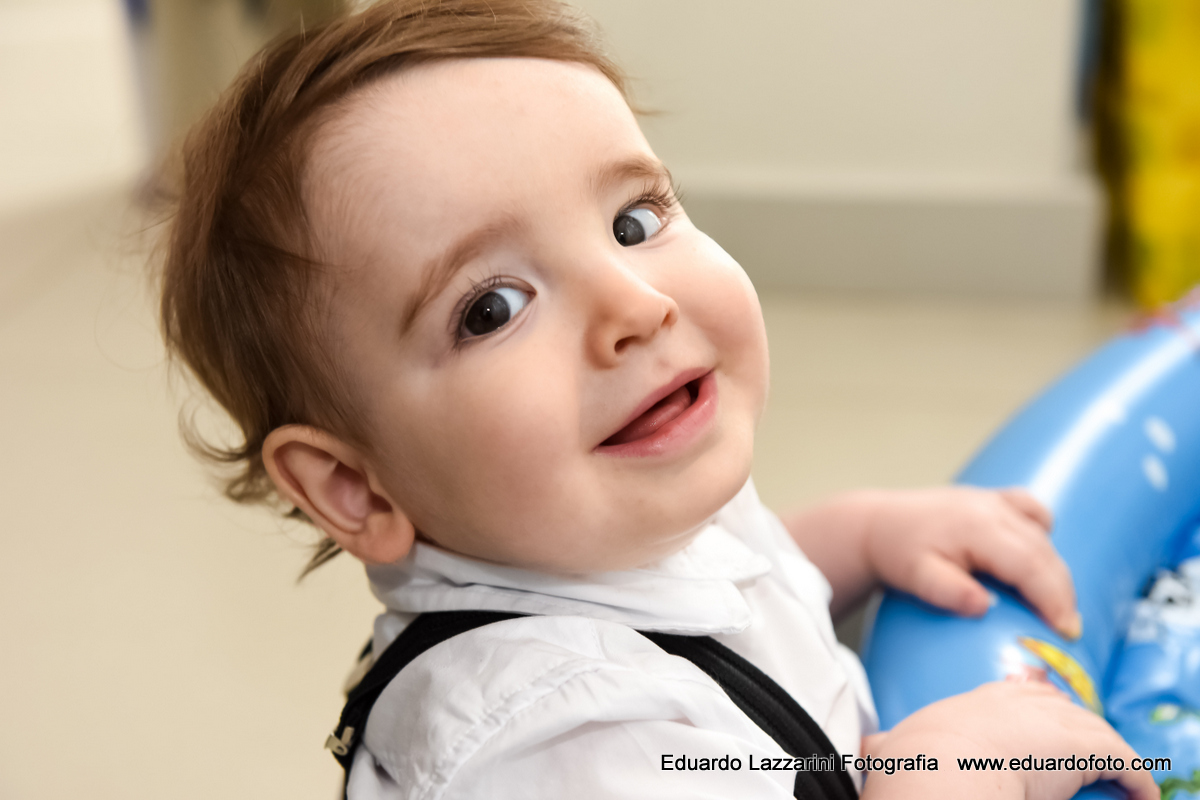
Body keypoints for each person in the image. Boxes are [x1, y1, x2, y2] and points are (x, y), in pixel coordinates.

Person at [155, 1, 1157, 798]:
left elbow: (720, 595)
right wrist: (944, 769)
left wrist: (861, 535)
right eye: (494, 307)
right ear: (353, 484)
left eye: (634, 220)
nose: (634, 304)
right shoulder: (567, 744)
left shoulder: (599, 521)